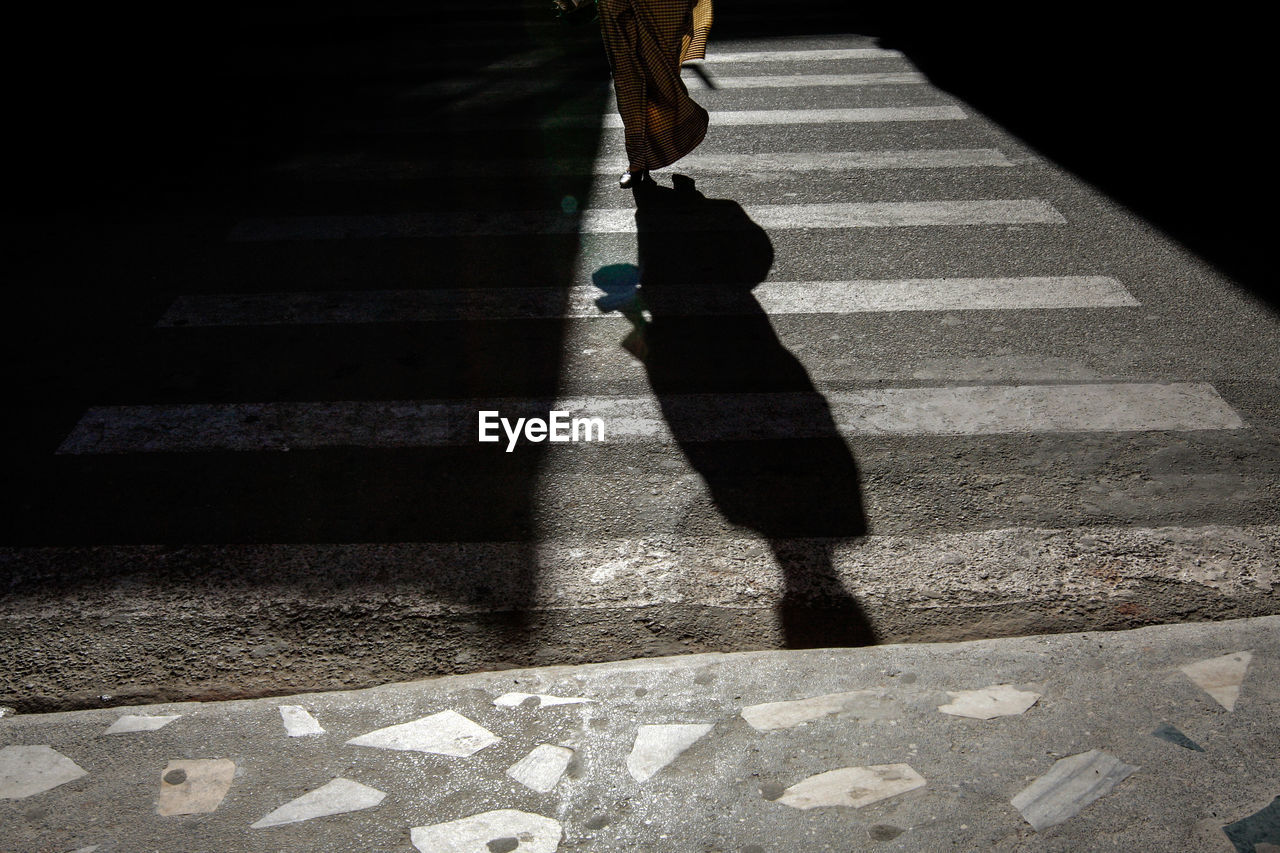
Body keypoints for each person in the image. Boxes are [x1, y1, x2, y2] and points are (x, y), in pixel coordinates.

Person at [596, 0, 714, 188]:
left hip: (663, 7)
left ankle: (685, 125)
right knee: (629, 83)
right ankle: (637, 161)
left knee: (661, 77)